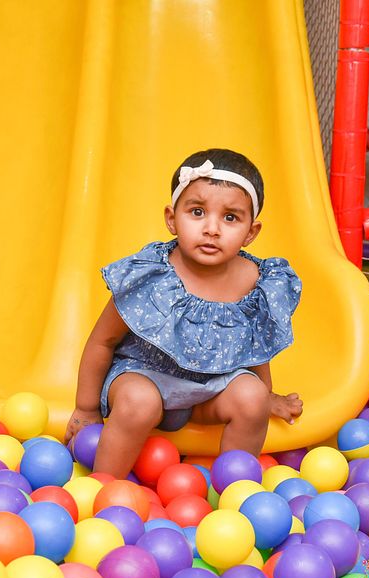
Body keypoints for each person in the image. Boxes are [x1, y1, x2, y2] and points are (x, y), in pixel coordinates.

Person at [64, 148, 303, 478]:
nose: (212, 229)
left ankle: (235, 492)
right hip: (144, 374)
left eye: (230, 218)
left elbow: (255, 345)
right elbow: (102, 341)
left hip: (212, 388)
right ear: (171, 219)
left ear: (251, 232)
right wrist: (86, 408)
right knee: (139, 400)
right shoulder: (151, 274)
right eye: (197, 212)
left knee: (252, 398)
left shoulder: (257, 280)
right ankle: (106, 487)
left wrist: (266, 395)